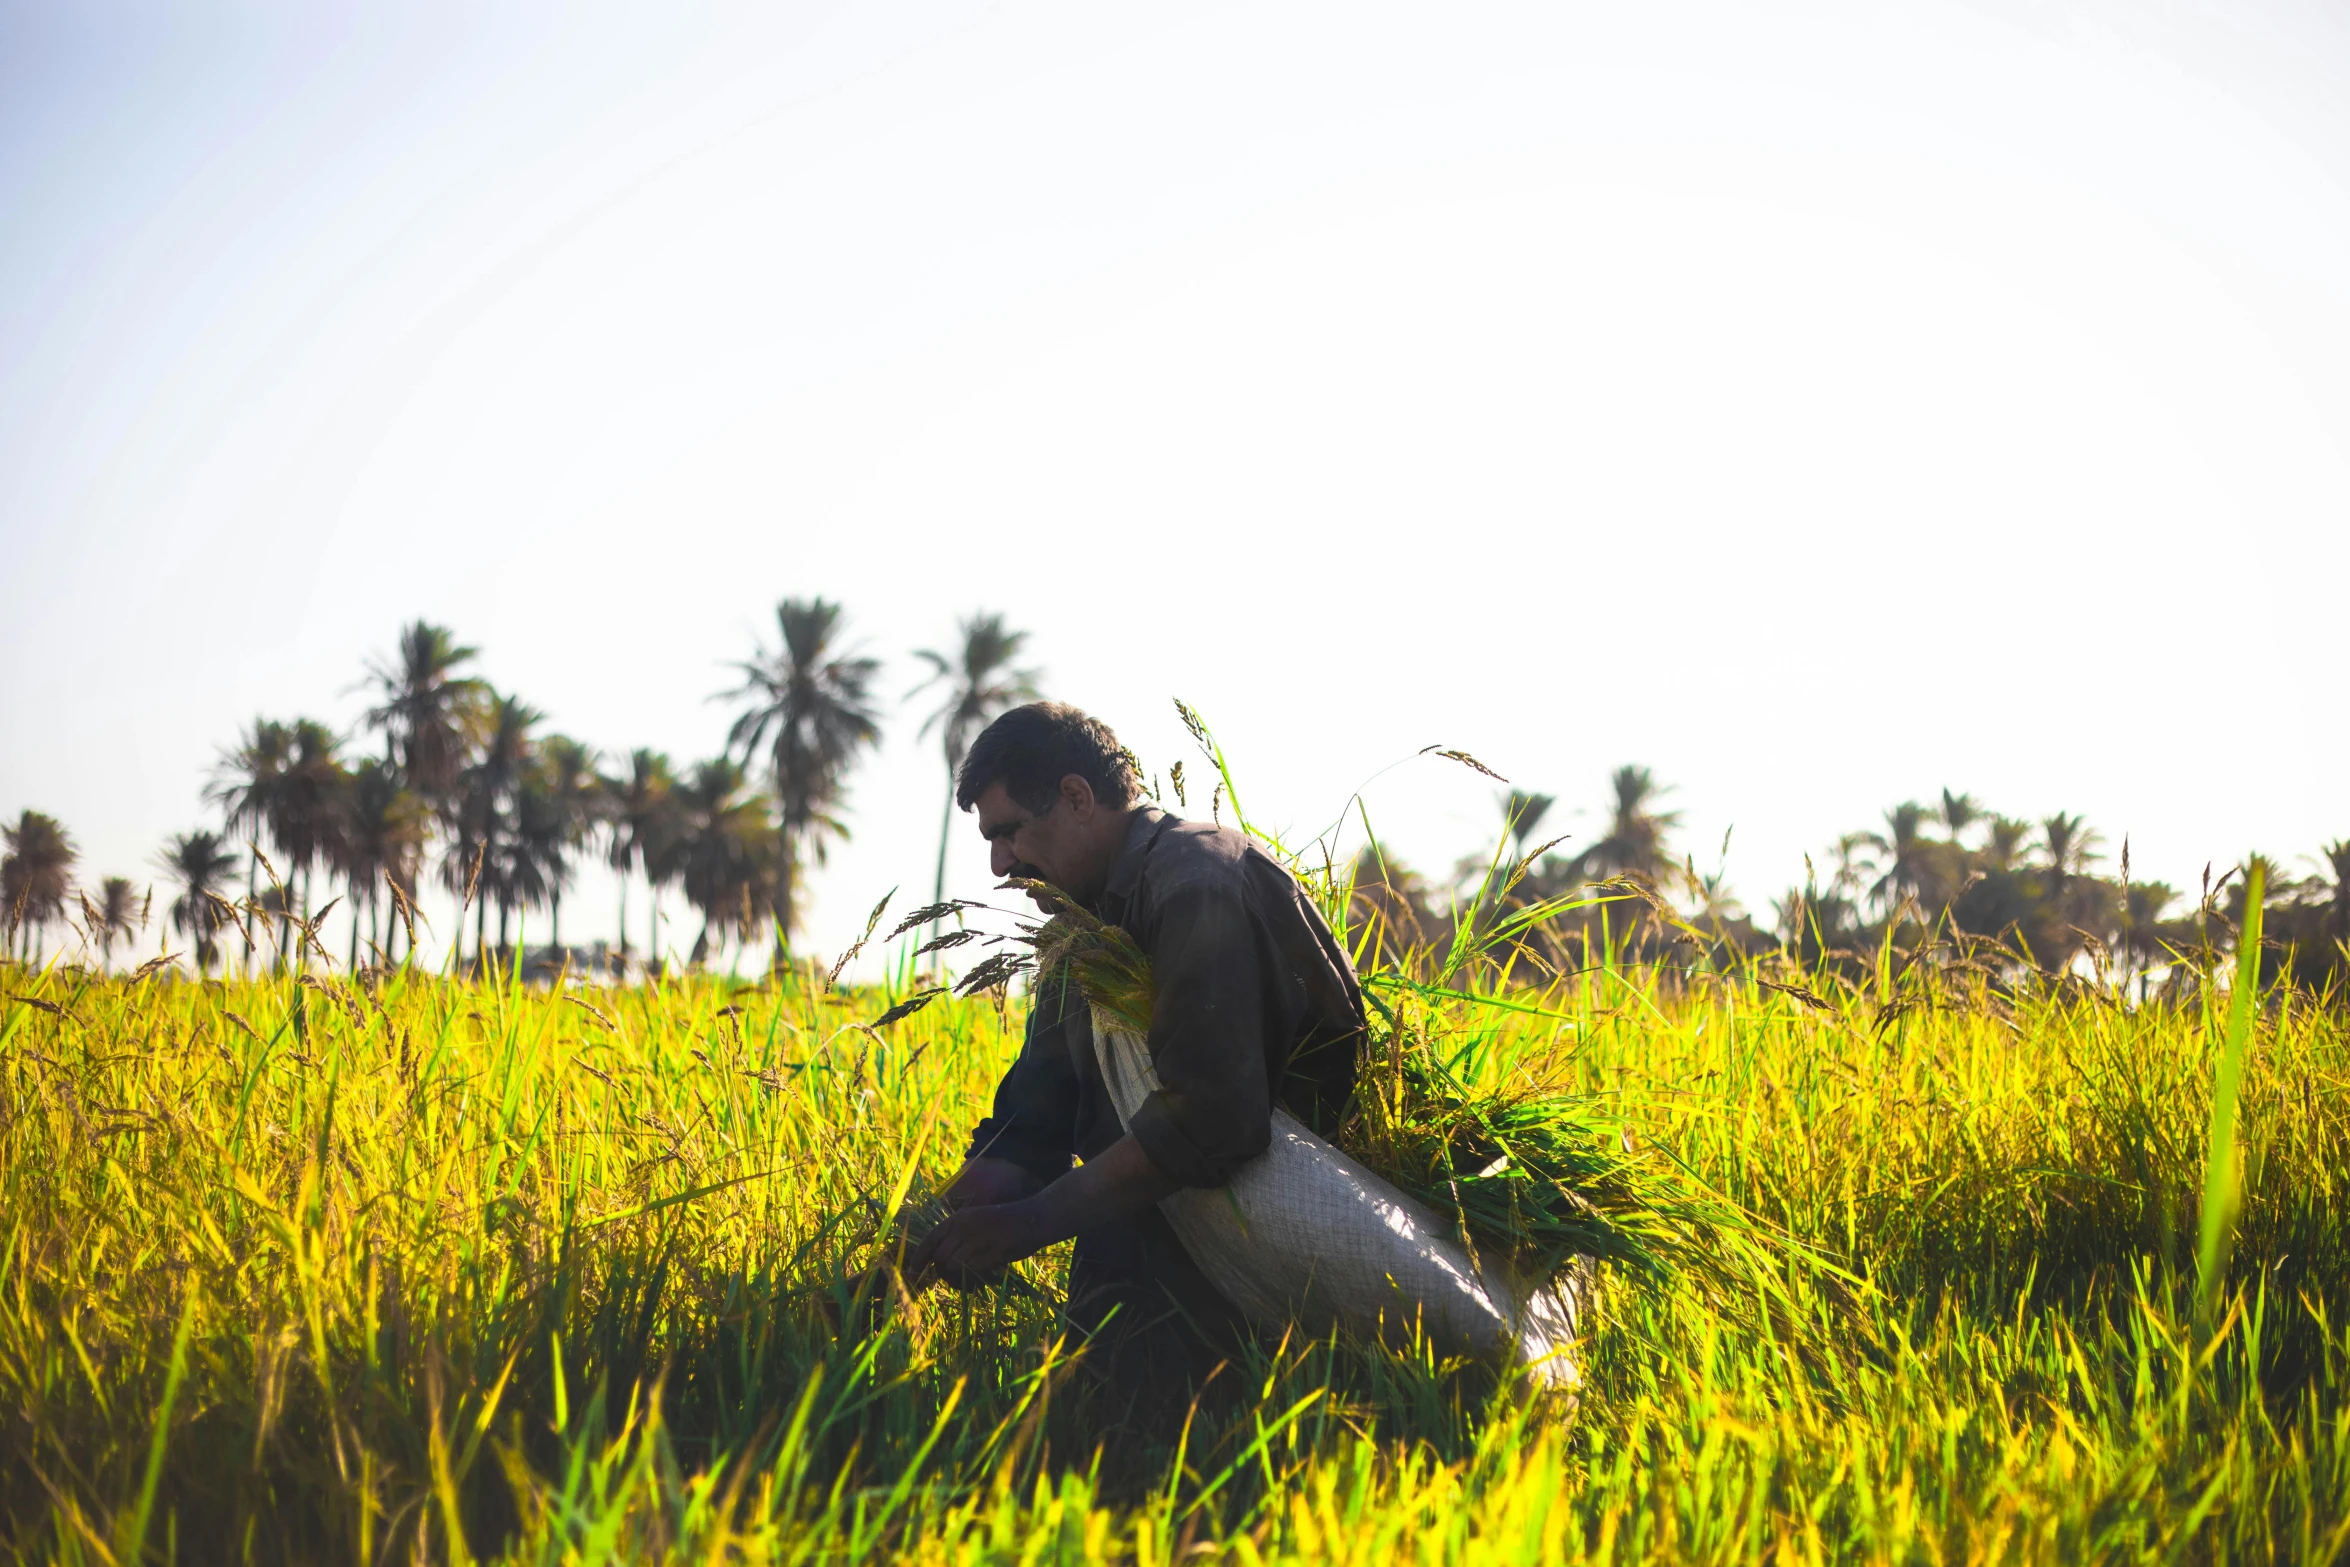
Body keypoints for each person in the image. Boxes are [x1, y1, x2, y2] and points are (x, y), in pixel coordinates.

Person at [908, 702, 1366, 1395]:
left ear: (1075, 797)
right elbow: (1034, 1122)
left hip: (1253, 1262)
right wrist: (923, 1247)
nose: (1000, 863)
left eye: (1008, 832)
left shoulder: (1196, 883)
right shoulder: (1077, 928)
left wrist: (1028, 1224)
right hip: (1133, 1252)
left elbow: (1213, 1120)